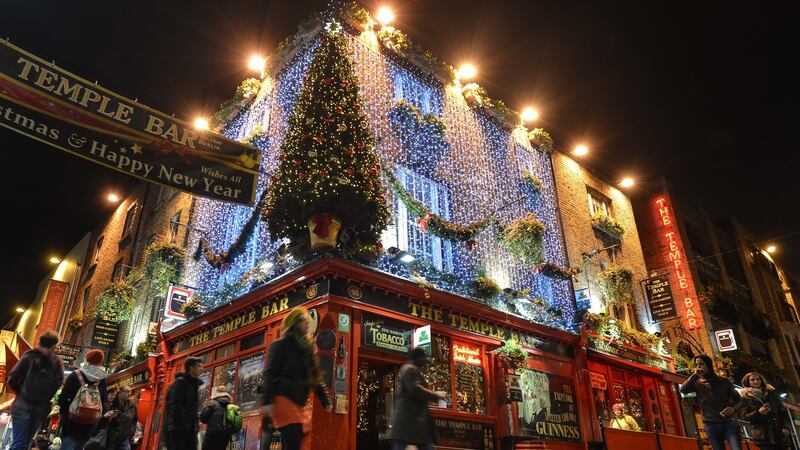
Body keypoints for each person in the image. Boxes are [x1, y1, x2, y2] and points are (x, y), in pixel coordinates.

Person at [259, 307, 331, 450]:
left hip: (299, 400)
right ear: (294, 324)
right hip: (282, 397)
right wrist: (267, 401)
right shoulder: (280, 345)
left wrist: (325, 400)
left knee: (296, 439)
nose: (307, 324)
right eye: (303, 321)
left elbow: (315, 376)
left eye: (307, 321)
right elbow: (269, 373)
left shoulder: (307, 349)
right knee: (293, 439)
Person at [6, 331, 64, 450]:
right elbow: (57, 384)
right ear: (55, 345)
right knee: (26, 442)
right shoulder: (57, 362)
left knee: (19, 441)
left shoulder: (29, 356)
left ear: (39, 341)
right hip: (40, 408)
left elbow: (12, 378)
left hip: (22, 403)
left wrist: (20, 393)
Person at [387, 347, 447, 450]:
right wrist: (436, 395)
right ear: (419, 358)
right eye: (424, 358)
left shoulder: (410, 369)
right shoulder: (410, 369)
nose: (425, 361)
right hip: (409, 434)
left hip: (415, 434)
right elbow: (415, 389)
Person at [680, 354, 743, 450]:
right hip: (710, 423)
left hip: (728, 422)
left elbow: (739, 399)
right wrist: (695, 375)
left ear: (708, 365)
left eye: (701, 364)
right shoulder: (697, 383)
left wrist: (733, 409)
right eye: (697, 365)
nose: (699, 367)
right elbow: (683, 390)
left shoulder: (724, 381)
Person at [58, 349, 109, 450]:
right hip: (90, 423)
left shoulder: (75, 375)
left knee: (68, 444)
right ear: (100, 362)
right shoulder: (102, 379)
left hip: (71, 421)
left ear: (87, 359)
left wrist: (64, 413)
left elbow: (63, 398)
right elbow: (103, 401)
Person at [740, 372, 791, 450]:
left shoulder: (771, 393)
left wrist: (786, 427)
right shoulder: (745, 397)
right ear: (748, 382)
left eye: (758, 379)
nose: (756, 381)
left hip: (779, 433)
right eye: (752, 380)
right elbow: (745, 417)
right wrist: (759, 413)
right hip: (763, 436)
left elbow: (783, 412)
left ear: (761, 380)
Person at [163, 356, 204, 450]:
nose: (202, 369)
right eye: (199, 366)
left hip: (190, 430)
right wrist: (184, 424)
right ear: (191, 368)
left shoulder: (194, 385)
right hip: (179, 430)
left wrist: (195, 426)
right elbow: (174, 406)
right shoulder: (181, 383)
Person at [103, 386, 138, 450]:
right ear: (121, 392)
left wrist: (131, 432)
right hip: (112, 435)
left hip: (125, 436)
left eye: (130, 392)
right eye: (127, 392)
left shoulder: (132, 406)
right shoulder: (114, 402)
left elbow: (134, 419)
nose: (129, 394)